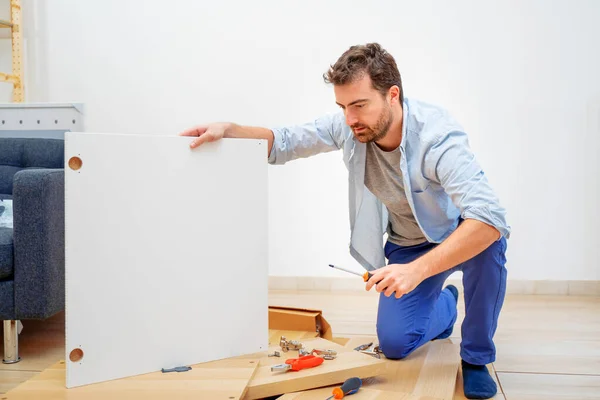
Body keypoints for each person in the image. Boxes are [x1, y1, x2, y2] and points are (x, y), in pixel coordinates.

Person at [180, 43, 510, 400]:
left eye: (359, 105)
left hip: (459, 233)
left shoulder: (437, 137)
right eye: (343, 106)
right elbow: (286, 141)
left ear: (392, 95)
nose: (349, 118)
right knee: (396, 344)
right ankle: (446, 307)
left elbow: (489, 218)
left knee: (489, 245)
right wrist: (232, 130)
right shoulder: (350, 127)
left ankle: (476, 357)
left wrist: (416, 272)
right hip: (408, 243)